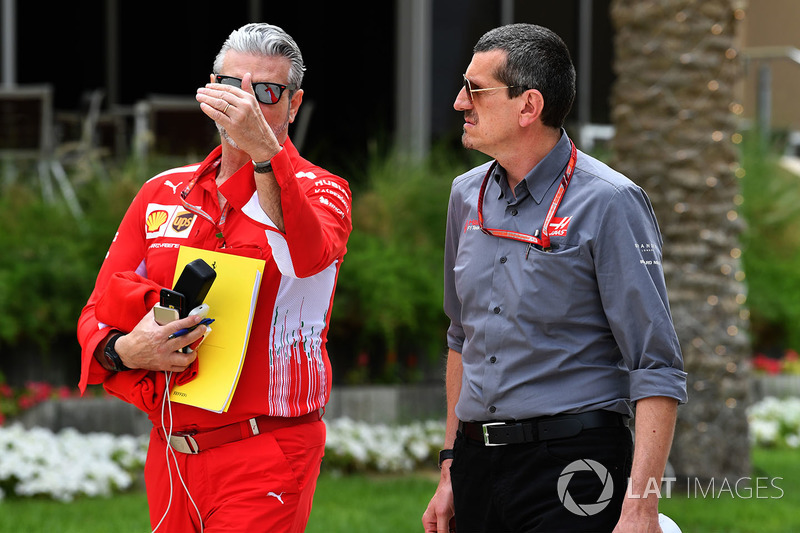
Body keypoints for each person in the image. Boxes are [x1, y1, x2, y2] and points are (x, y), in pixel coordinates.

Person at [76, 23, 351, 532]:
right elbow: (95, 312)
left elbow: (308, 256)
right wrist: (125, 352)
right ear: (210, 89)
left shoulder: (322, 189)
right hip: (172, 448)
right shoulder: (162, 191)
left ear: (293, 105)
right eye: (232, 86)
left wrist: (266, 152)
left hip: (265, 445)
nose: (246, 104)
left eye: (267, 92)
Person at [422, 23, 687, 533]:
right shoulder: (464, 196)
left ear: (529, 107)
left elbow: (655, 364)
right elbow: (461, 338)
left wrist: (640, 507)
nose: (459, 102)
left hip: (575, 467)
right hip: (477, 464)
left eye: (476, 90)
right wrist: (451, 467)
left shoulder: (610, 202)